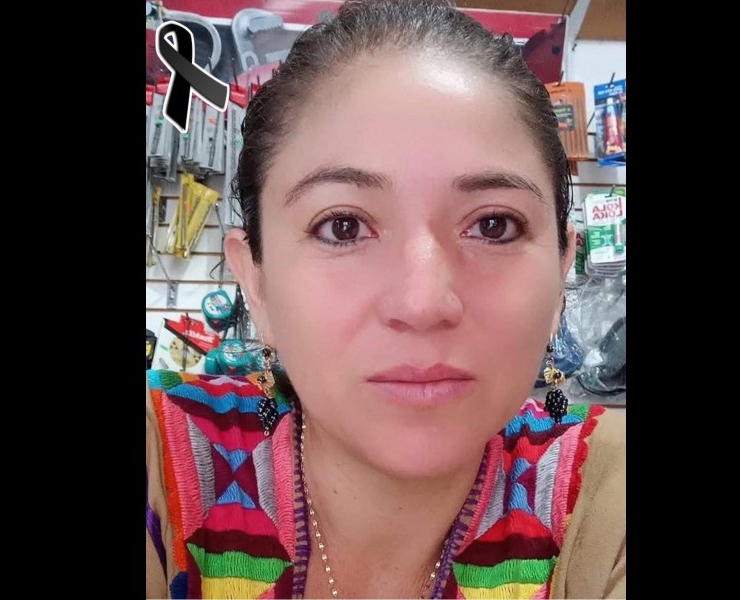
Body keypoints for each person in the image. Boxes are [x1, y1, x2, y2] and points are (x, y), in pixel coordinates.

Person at [145, 1, 626, 598]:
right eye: (342, 226)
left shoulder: (606, 497)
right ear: (256, 284)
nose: (423, 303)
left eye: (494, 225)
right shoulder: (163, 466)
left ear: (560, 272)